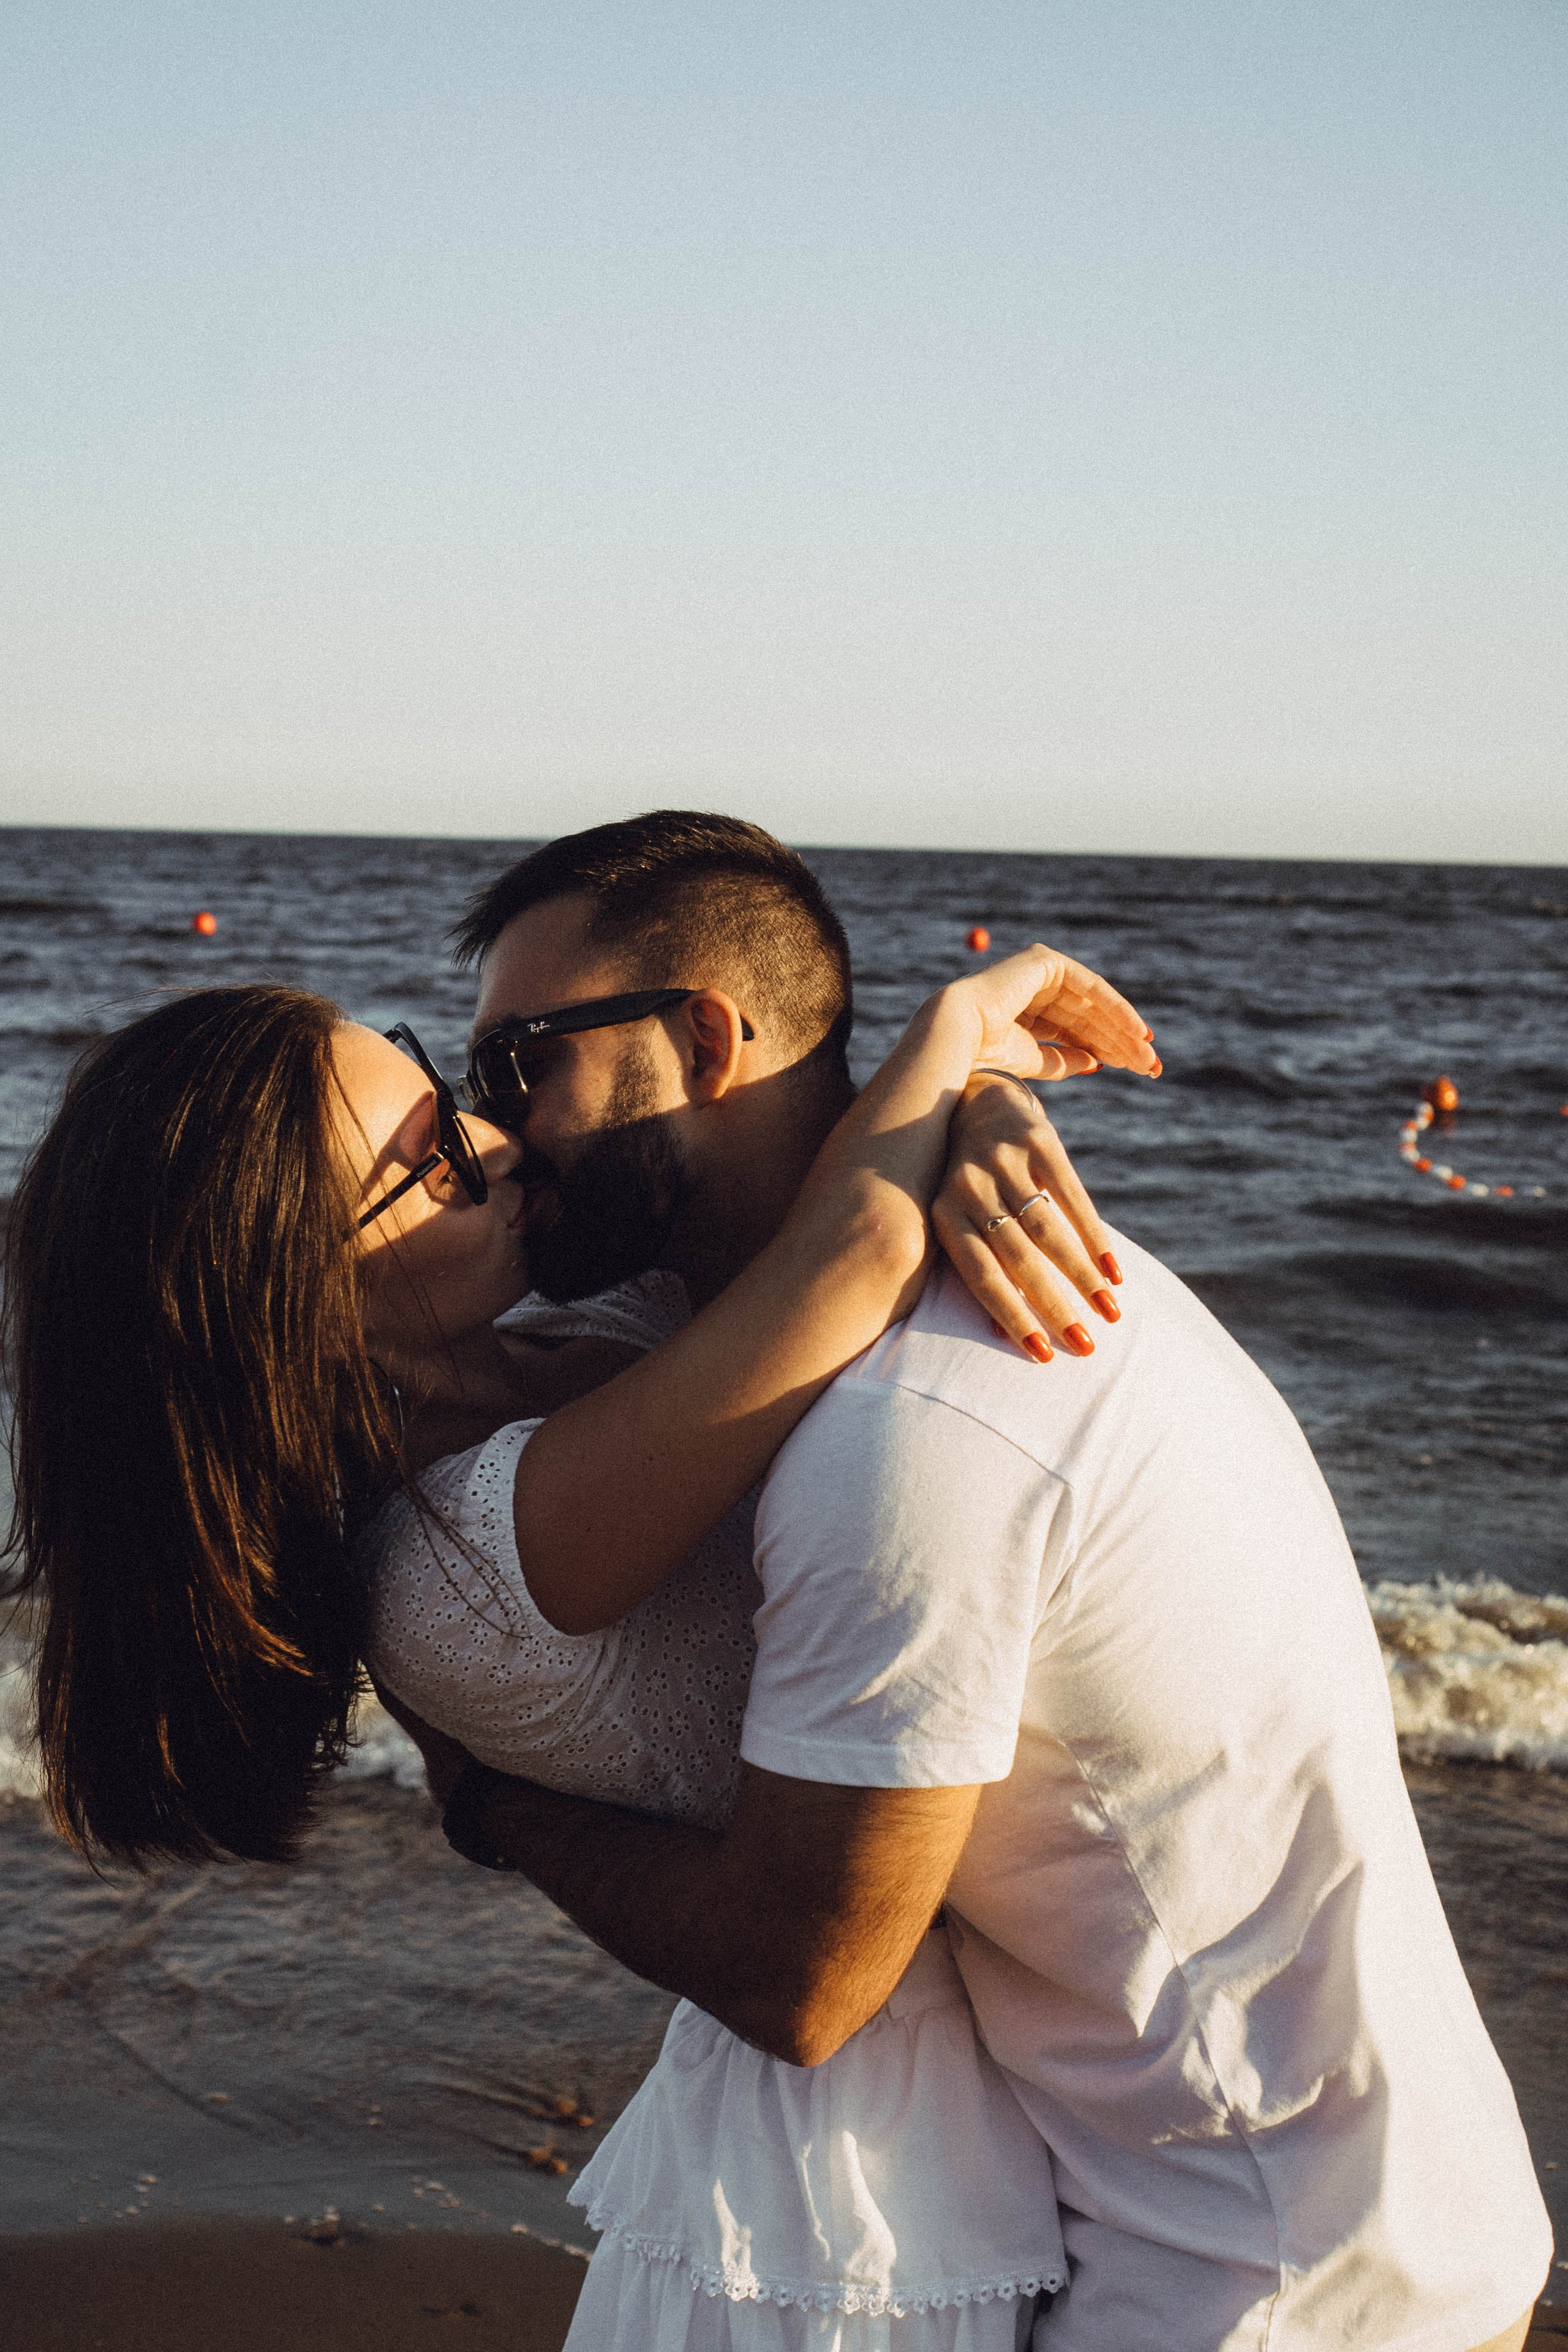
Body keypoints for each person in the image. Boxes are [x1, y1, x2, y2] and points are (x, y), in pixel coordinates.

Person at [393, 812, 1551, 2352]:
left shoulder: (911, 1425)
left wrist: (497, 1802)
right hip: (1332, 2216)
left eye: (520, 1062)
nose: (498, 1129)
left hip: (1258, 2284)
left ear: (698, 1038)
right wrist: (958, 1097)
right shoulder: (831, 1330)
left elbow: (802, 1974)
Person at [2, 881, 1152, 2343]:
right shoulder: (470, 1545)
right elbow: (850, 1260)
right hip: (846, 2190)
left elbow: (796, 1224)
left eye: (446, 1087)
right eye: (429, 1158)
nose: (492, 1138)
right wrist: (963, 1040)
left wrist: (979, 1120)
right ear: (294, 1303)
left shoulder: (554, 1351)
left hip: (955, 2104)